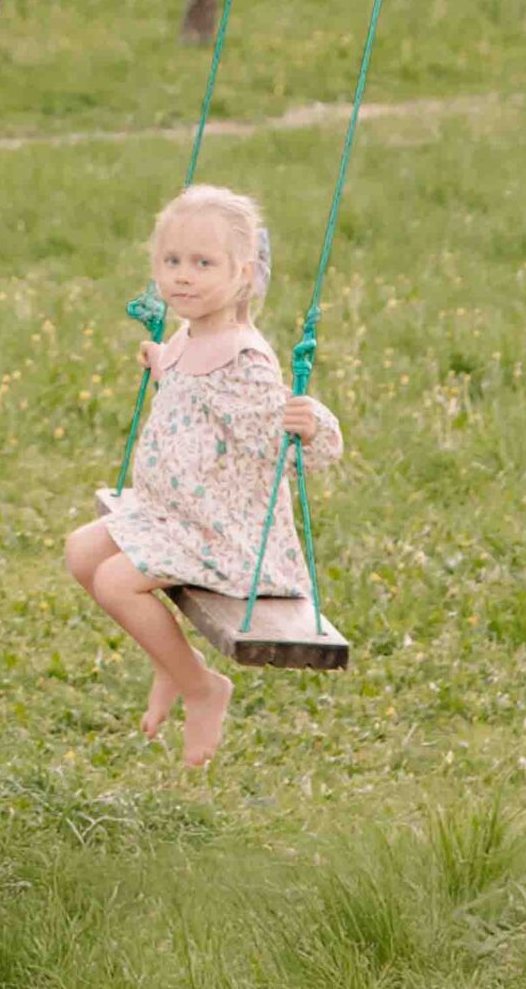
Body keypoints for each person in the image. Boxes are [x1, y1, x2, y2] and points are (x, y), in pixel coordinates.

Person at [60, 182, 341, 774]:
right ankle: (172, 665)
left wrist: (311, 427)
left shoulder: (246, 359)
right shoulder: (189, 334)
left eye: (202, 264)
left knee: (115, 581)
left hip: (224, 534)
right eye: (171, 262)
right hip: (176, 515)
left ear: (242, 274)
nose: (181, 277)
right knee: (82, 550)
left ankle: (201, 687)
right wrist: (162, 363)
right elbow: (192, 401)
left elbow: (290, 452)